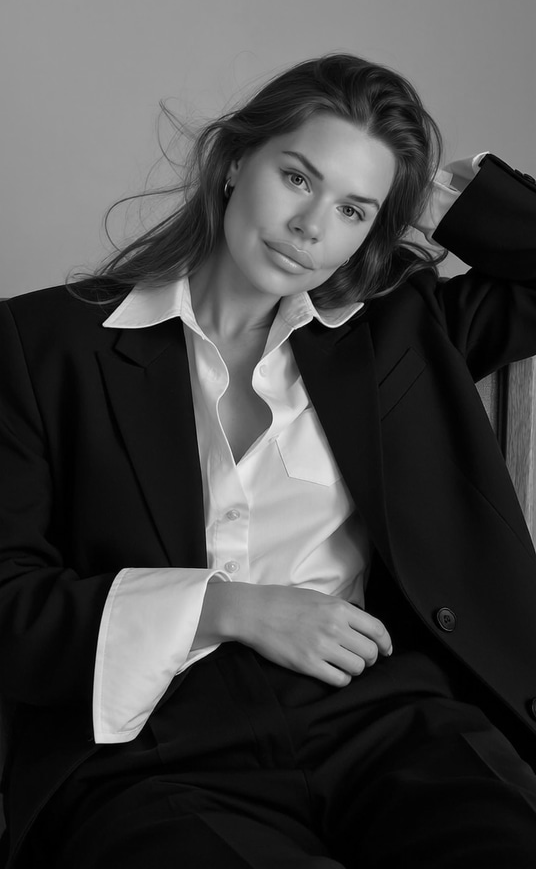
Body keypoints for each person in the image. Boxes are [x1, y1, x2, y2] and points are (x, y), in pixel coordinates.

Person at [1, 53, 536, 869]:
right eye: (297, 177)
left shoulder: (396, 335)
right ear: (234, 162)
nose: (313, 227)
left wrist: (442, 197)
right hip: (151, 752)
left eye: (354, 209)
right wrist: (230, 608)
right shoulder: (42, 348)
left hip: (383, 719)